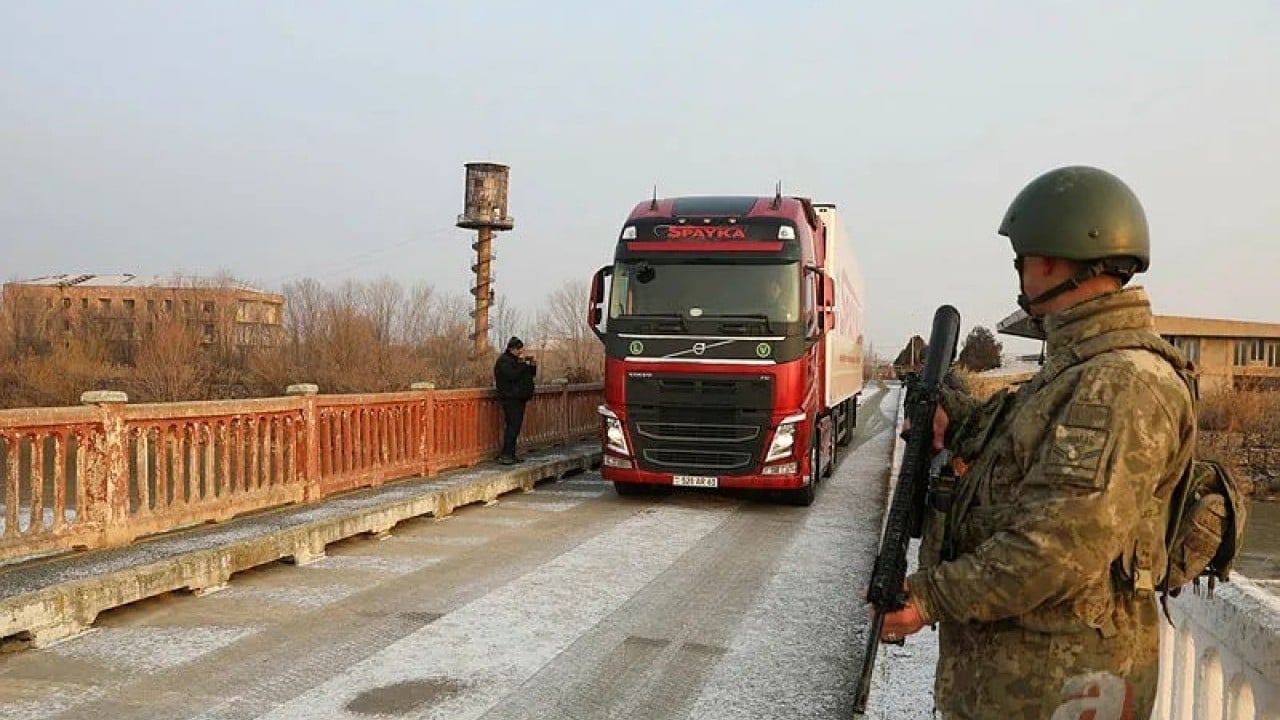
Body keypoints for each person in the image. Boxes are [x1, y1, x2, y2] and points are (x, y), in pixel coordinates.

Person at [879, 166, 1198, 719]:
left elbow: (1057, 547)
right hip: (1021, 683)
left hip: (1057, 690)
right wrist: (953, 418)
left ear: (1050, 259)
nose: (1021, 274)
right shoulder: (1078, 370)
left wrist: (930, 597)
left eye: (1023, 260)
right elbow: (1023, 456)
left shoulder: (1120, 381)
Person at [493, 336, 537, 465]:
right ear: (512, 349)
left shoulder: (515, 361)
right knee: (512, 427)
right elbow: (512, 376)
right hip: (510, 398)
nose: (520, 352)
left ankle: (511, 454)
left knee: (515, 427)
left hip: (518, 397)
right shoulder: (504, 361)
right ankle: (506, 454)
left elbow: (528, 374)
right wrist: (522, 364)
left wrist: (532, 366)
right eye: (519, 350)